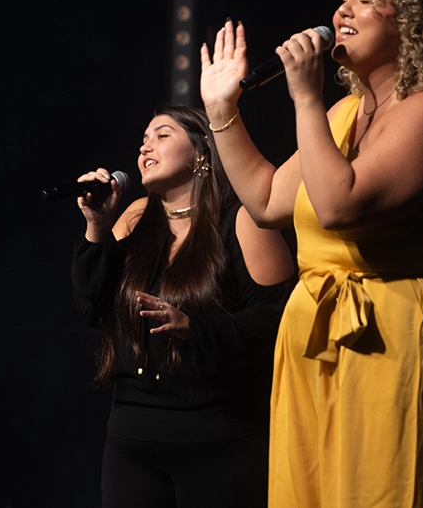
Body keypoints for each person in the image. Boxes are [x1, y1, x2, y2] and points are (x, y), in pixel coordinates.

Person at [198, 0, 423, 507]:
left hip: (393, 334)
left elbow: (339, 206)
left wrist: (305, 95)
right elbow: (266, 201)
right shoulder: (343, 114)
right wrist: (221, 108)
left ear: (414, 23)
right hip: (316, 335)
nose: (342, 8)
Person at [71, 105, 295, 508]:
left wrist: (195, 327)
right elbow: (93, 307)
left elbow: (279, 320)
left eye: (162, 135)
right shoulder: (136, 218)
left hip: (217, 435)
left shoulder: (242, 220)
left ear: (201, 153)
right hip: (132, 436)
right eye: (142, 140)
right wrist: (96, 229)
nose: (145, 147)